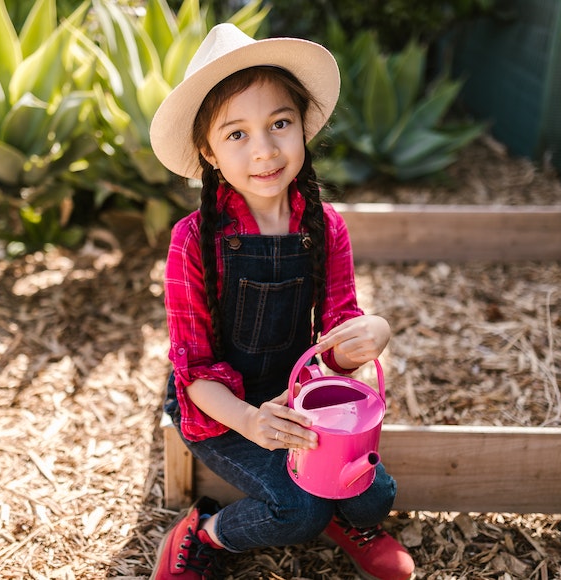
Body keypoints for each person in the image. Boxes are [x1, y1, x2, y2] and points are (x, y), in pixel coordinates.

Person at [148, 23, 415, 580]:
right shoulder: (194, 240)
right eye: (237, 134)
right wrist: (250, 421)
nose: (265, 150)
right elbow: (193, 371)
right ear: (208, 152)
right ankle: (205, 535)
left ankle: (353, 519)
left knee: (375, 492)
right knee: (298, 510)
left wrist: (369, 335)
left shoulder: (325, 226)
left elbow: (336, 338)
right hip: (220, 408)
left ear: (302, 127)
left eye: (279, 124)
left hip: (297, 396)